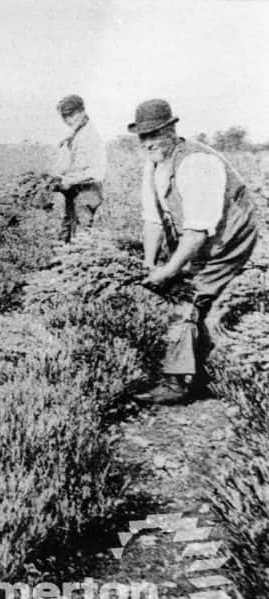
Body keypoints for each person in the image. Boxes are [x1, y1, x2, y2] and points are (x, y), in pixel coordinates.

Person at [129, 99, 259, 404]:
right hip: (200, 237)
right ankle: (197, 363)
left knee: (187, 296)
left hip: (227, 240)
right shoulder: (154, 165)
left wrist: (170, 270)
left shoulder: (196, 163)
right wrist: (150, 265)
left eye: (155, 134)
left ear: (172, 130)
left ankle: (179, 383)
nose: (148, 142)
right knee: (173, 281)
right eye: (143, 137)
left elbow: (198, 230)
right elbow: (153, 220)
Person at [49, 94, 107, 242]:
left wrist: (70, 181)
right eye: (64, 117)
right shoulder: (76, 132)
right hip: (73, 192)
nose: (68, 120)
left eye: (71, 115)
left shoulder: (90, 136)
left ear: (82, 111)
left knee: (81, 237)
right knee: (66, 233)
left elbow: (97, 172)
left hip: (87, 192)